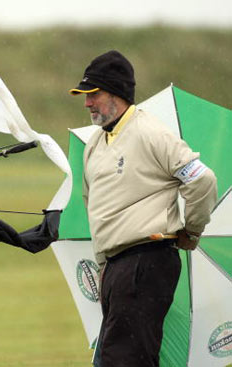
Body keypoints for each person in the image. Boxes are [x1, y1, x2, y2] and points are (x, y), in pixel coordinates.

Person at [69, 50, 218, 367]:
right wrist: (102, 262)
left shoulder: (151, 132)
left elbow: (202, 180)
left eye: (93, 94)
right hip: (115, 267)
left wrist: (191, 230)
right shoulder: (95, 144)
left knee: (122, 360)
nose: (87, 103)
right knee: (120, 358)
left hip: (145, 260)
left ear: (117, 93)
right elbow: (93, 204)